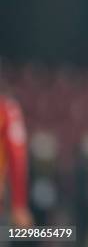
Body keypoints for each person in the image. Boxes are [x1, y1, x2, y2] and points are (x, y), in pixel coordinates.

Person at [0, 95, 33, 228]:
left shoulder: (7, 112)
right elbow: (18, 158)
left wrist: (19, 203)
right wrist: (19, 204)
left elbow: (17, 158)